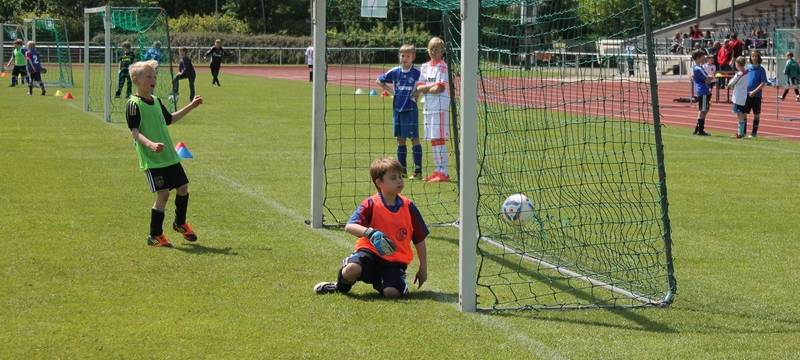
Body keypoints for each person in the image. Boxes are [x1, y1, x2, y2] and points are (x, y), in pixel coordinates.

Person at [313, 156, 429, 298]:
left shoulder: (408, 206)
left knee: (391, 293)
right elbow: (350, 226)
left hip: (394, 262)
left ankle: (392, 284)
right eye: (393, 178)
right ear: (379, 182)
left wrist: (423, 267)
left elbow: (419, 239)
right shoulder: (371, 204)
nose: (399, 180)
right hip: (369, 254)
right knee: (351, 270)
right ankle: (339, 286)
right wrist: (370, 233)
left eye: (400, 176)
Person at [125, 60, 204, 247]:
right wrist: (150, 144)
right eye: (148, 76)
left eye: (154, 76)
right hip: (152, 160)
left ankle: (180, 223)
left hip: (168, 156)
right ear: (136, 80)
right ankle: (155, 235)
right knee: (163, 195)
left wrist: (191, 106)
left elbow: (169, 119)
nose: (153, 79)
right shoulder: (133, 104)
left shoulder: (157, 101)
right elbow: (134, 132)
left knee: (183, 187)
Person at [376, 44, 423, 179]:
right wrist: (392, 91)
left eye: (408, 56)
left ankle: (418, 171)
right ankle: (402, 171)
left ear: (413, 57)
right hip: (397, 109)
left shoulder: (417, 72)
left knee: (414, 139)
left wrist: (416, 94)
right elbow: (378, 80)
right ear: (399, 56)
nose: (405, 58)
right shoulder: (395, 71)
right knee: (400, 140)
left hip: (411, 109)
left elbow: (422, 85)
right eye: (402, 55)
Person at [417, 37, 451, 183]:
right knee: (432, 139)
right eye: (431, 49)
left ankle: (444, 171)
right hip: (428, 107)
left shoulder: (443, 67)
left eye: (437, 49)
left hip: (440, 107)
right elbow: (419, 87)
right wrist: (426, 88)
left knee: (439, 138)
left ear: (442, 51)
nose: (433, 52)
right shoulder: (424, 67)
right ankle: (437, 170)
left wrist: (425, 88)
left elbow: (439, 88)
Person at [744, 51, 767, 138]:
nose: (754, 57)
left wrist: (754, 92)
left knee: (756, 114)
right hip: (746, 95)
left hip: (756, 96)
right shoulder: (748, 68)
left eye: (755, 56)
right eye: (752, 56)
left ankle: (754, 133)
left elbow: (763, 83)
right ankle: (743, 132)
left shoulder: (761, 69)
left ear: (758, 57)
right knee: (744, 113)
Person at [691, 50, 714, 136]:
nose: (704, 58)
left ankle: (697, 129)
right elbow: (707, 79)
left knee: (704, 109)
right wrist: (712, 77)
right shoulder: (698, 68)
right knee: (703, 110)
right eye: (702, 56)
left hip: (703, 90)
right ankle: (700, 130)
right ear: (698, 58)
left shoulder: (699, 67)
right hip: (703, 91)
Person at [728, 56, 749, 139]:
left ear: (738, 64)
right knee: (742, 114)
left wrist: (729, 84)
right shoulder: (747, 72)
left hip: (739, 96)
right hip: (744, 95)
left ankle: (740, 133)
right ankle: (742, 132)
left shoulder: (740, 74)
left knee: (739, 114)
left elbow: (732, 83)